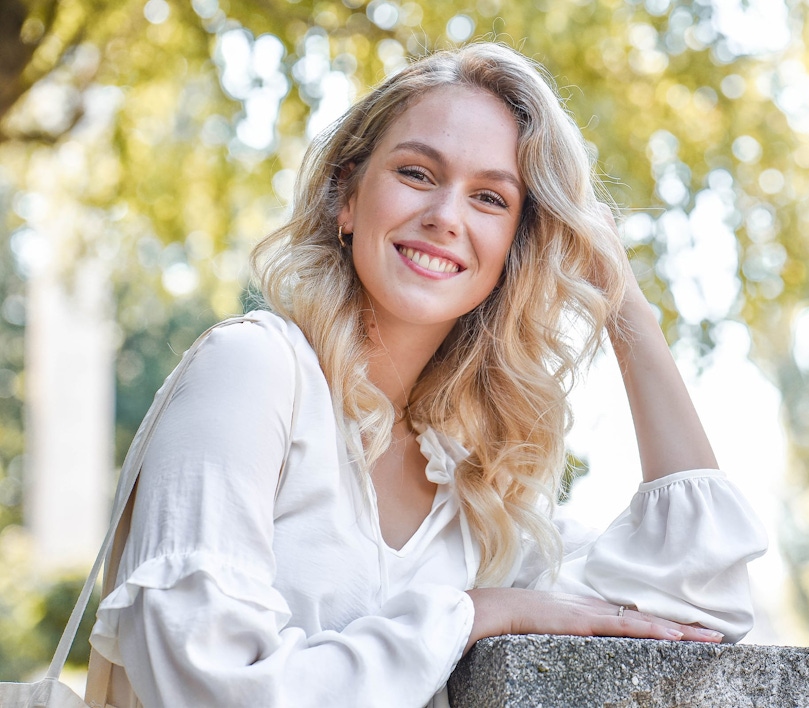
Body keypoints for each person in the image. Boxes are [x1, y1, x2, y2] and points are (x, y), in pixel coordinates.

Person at [90, 42, 767, 707]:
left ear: (515, 249)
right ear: (345, 198)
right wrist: (467, 616)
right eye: (417, 173)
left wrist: (623, 301)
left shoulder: (475, 493)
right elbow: (200, 683)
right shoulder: (253, 371)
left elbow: (696, 599)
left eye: (491, 200)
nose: (445, 218)